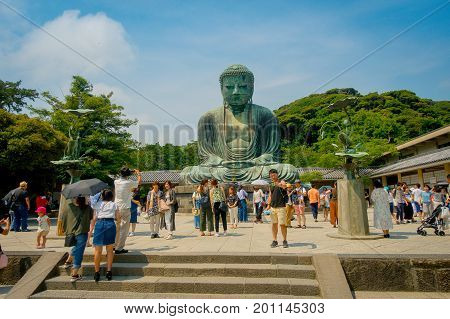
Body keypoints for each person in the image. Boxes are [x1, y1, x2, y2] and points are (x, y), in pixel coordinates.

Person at [61, 196, 93, 282]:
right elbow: (90, 217)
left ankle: (68, 261)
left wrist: (66, 229)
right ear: (84, 200)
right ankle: (74, 274)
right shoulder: (88, 208)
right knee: (79, 252)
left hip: (70, 232)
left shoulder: (68, 207)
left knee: (76, 247)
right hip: (82, 232)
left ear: (76, 199)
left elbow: (63, 218)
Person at [93, 190, 119, 282]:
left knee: (97, 250)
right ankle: (109, 272)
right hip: (110, 224)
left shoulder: (97, 204)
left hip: (99, 224)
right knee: (110, 250)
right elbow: (118, 217)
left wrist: (91, 230)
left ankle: (96, 272)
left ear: (102, 196)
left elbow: (94, 218)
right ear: (111, 196)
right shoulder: (114, 204)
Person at [114, 167, 141, 254]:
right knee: (124, 228)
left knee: (117, 227)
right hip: (125, 207)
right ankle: (119, 248)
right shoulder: (128, 182)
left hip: (116, 208)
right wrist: (138, 173)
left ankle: (114, 245)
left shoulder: (116, 182)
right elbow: (139, 182)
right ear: (128, 175)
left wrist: (129, 173)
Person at [267, 168, 288, 248]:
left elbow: (284, 186)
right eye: (271, 175)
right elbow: (270, 195)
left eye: (274, 175)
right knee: (274, 224)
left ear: (277, 175)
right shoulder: (271, 185)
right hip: (273, 207)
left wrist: (279, 184)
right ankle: (275, 240)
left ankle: (285, 240)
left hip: (281, 207)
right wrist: (268, 205)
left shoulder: (281, 181)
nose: (272, 176)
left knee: (282, 224)